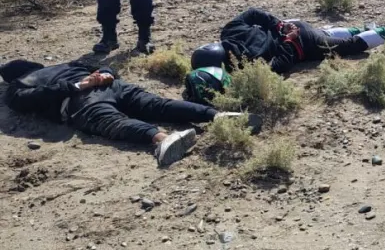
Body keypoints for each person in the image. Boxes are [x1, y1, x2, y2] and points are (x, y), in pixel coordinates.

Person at [1, 59, 260, 167]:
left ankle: (161, 139)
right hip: (112, 86)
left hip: (79, 98)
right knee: (157, 105)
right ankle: (216, 115)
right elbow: (104, 67)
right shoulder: (69, 64)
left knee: (111, 121)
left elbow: (25, 100)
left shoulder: (18, 85)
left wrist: (79, 86)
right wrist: (105, 75)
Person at [193, 8, 385, 75]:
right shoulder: (229, 31)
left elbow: (281, 64)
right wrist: (279, 24)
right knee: (326, 34)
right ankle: (368, 29)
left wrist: (287, 39)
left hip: (300, 41)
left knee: (349, 47)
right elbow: (253, 13)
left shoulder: (246, 61)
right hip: (294, 24)